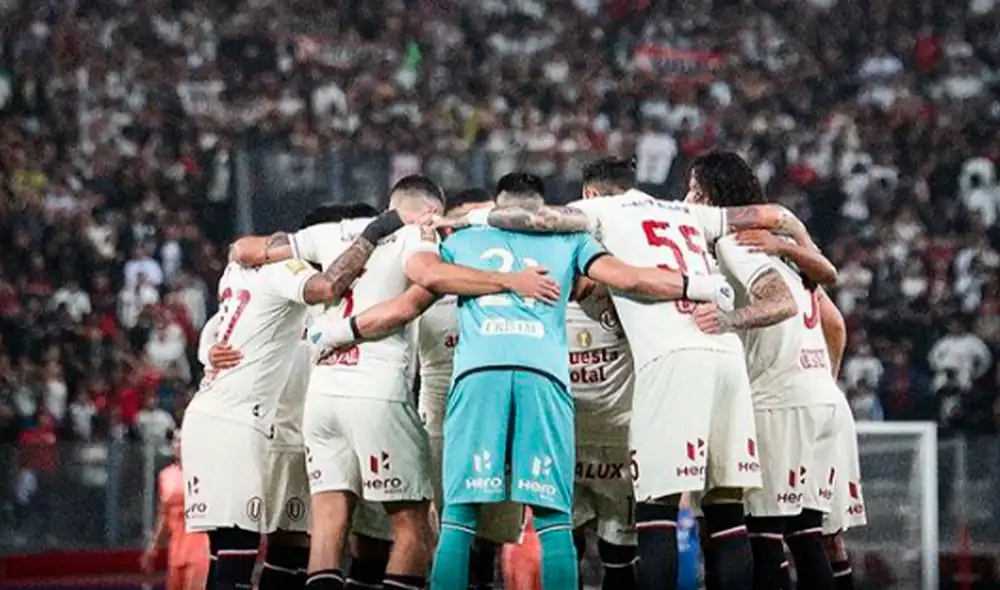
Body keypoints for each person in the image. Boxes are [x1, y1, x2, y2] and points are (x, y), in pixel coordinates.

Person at [310, 172, 737, 590]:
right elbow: (632, 278)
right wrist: (700, 285)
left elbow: (417, 284)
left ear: (497, 205)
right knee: (554, 520)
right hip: (543, 379)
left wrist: (336, 333)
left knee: (459, 517)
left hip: (477, 378)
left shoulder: (461, 239)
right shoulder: (569, 240)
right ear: (542, 207)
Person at [441, 158, 816, 590]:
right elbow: (776, 215)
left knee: (655, 511)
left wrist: (468, 216)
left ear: (590, 194)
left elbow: (535, 217)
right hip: (725, 356)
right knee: (727, 514)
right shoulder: (685, 211)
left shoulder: (600, 213)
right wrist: (802, 246)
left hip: (669, 361)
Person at [243, 175, 563, 590]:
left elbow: (250, 250)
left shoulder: (333, 233)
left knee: (327, 527)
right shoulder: (417, 234)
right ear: (430, 211)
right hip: (379, 391)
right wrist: (508, 280)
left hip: (323, 395)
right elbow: (426, 274)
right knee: (413, 524)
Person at [181, 206, 418, 590]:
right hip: (262, 428)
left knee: (247, 549)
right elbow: (328, 287)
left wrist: (206, 352)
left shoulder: (238, 273)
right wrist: (375, 233)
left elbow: (218, 326)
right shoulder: (290, 277)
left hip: (236, 420)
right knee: (261, 550)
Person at [686, 150, 843, 590]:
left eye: (695, 191)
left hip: (778, 402)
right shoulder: (786, 247)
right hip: (820, 398)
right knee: (808, 538)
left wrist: (728, 320)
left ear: (713, 196)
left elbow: (782, 303)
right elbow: (833, 318)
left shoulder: (738, 245)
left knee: (762, 539)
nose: (688, 199)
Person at [567, 288, 639, 590]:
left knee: (618, 554)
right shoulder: (543, 297)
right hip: (566, 439)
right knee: (566, 542)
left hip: (618, 441)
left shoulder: (626, 299)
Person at [818, 289, 867, 590]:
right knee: (828, 537)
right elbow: (835, 323)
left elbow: (835, 323)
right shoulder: (800, 271)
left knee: (768, 530)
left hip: (788, 401)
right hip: (827, 399)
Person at [142, 434, 210, 590]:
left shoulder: (205, 474)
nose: (179, 445)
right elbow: (164, 515)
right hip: (176, 552)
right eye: (176, 440)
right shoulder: (166, 475)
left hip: (200, 550)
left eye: (183, 441)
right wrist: (154, 547)